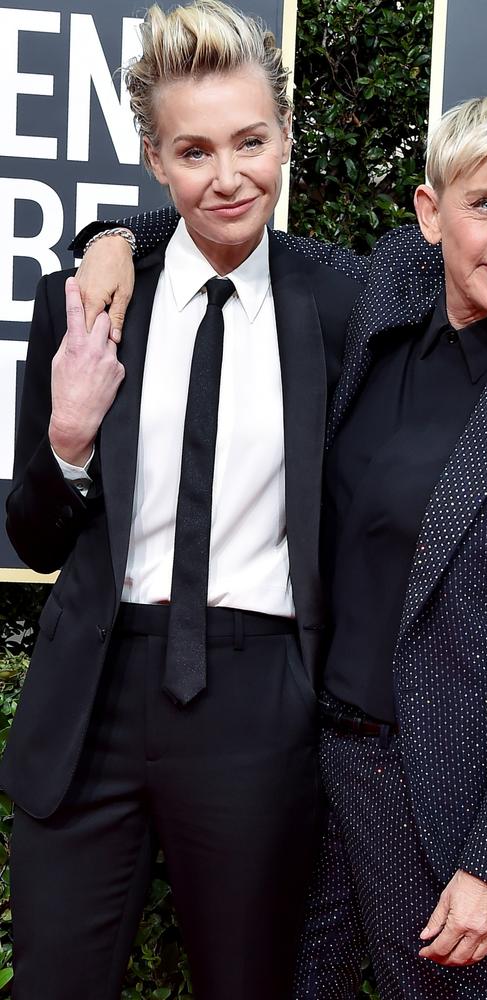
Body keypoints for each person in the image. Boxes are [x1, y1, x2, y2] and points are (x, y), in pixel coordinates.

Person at [73, 96, 487, 999]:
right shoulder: (384, 297)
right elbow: (231, 220)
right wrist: (110, 235)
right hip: (299, 764)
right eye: (484, 203)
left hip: (431, 795)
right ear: (430, 213)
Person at [2, 3, 363, 998]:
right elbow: (33, 536)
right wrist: (67, 441)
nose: (228, 173)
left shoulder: (341, 302)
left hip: (257, 699)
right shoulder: (85, 301)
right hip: (93, 696)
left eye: (250, 140)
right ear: (157, 159)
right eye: (194, 150)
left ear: (286, 136)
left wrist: (112, 227)